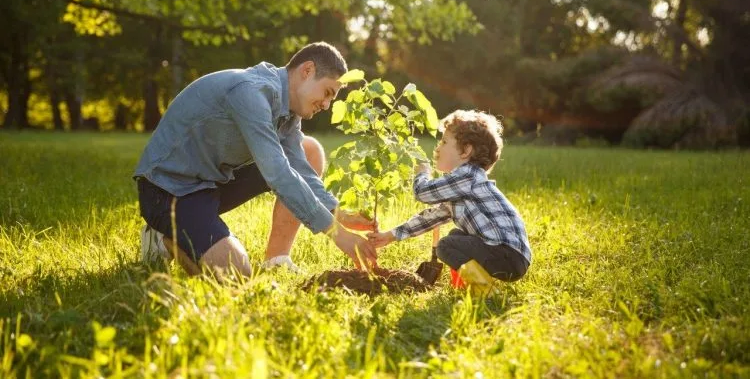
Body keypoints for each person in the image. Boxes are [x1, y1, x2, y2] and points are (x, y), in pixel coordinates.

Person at [134, 41, 377, 276]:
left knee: (308, 150)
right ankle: (164, 237)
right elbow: (279, 174)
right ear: (307, 70)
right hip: (168, 190)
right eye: (327, 93)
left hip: (210, 182)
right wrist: (339, 235)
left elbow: (300, 169)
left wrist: (339, 214)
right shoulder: (252, 92)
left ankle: (277, 260)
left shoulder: (289, 112)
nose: (325, 104)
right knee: (236, 273)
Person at [367, 110, 531, 294]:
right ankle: (466, 286)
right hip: (511, 255)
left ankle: (485, 291)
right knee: (455, 236)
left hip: (507, 254)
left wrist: (422, 173)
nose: (438, 148)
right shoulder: (463, 185)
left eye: (444, 142)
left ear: (466, 151)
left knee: (446, 246)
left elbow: (422, 193)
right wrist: (390, 235)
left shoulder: (467, 175)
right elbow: (431, 217)